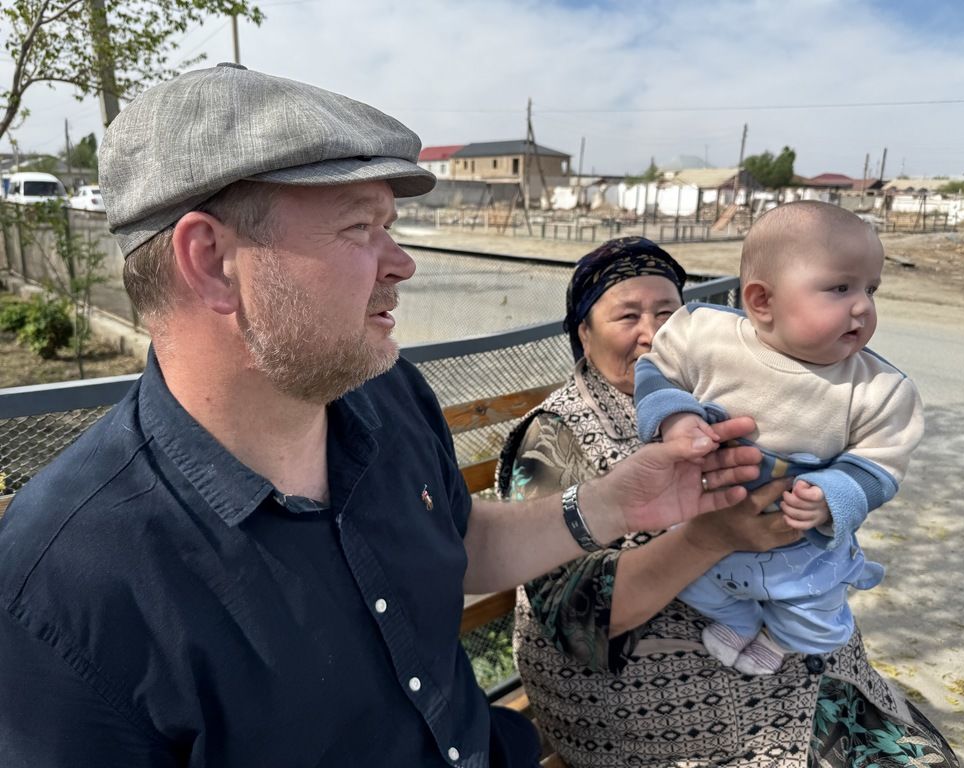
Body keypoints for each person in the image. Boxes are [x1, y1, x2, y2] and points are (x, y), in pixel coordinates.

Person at [0, 65, 762, 768]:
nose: (401, 262)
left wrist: (614, 503)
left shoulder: (385, 394)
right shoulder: (64, 589)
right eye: (360, 228)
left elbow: (459, 542)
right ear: (211, 261)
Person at [496, 236, 959, 767]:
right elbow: (573, 620)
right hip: (671, 714)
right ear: (584, 332)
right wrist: (713, 538)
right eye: (627, 316)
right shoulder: (556, 436)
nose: (653, 333)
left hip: (809, 675)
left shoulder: (729, 383)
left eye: (667, 312)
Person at [634, 201, 923, 675]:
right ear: (762, 302)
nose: (862, 306)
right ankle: (739, 620)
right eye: (841, 288)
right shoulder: (706, 337)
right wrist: (675, 417)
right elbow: (656, 371)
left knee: (819, 620)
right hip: (704, 522)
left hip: (797, 544)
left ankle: (780, 638)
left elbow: (882, 463)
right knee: (694, 585)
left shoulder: (876, 388)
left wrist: (833, 495)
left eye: (871, 289)